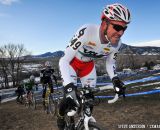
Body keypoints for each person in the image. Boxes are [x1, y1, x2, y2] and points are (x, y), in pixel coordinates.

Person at [57, 3, 131, 130]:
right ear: (104, 23)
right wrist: (69, 88)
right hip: (71, 63)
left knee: (89, 100)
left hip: (88, 67)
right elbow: (64, 60)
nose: (120, 33)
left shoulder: (117, 44)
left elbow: (110, 62)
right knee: (70, 99)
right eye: (117, 27)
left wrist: (115, 79)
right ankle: (60, 116)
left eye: (124, 29)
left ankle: (84, 123)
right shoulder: (87, 31)